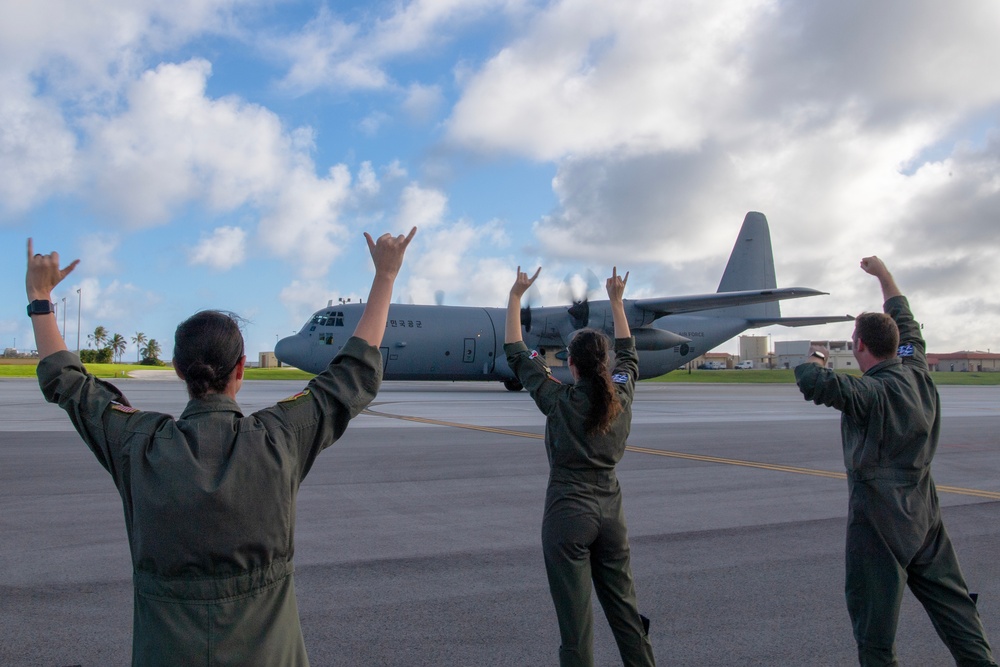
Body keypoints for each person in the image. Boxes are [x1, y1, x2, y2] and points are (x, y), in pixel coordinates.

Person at [26, 228, 416, 667]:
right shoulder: (279, 439)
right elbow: (354, 375)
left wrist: (41, 299)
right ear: (241, 368)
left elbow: (68, 383)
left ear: (178, 369)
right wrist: (385, 276)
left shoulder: (139, 444)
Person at [794, 256, 997, 667]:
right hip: (924, 513)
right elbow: (904, 317)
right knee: (956, 611)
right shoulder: (917, 371)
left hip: (879, 522)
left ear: (860, 346)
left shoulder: (871, 394)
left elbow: (811, 380)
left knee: (875, 633)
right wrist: (884, 276)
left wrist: (818, 353)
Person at [504, 266, 656, 667]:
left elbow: (519, 354)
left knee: (576, 629)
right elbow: (629, 354)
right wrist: (618, 302)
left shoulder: (559, 400)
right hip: (612, 514)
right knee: (625, 614)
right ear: (602, 363)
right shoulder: (620, 391)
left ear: (570, 364)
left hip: (568, 513)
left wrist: (516, 297)